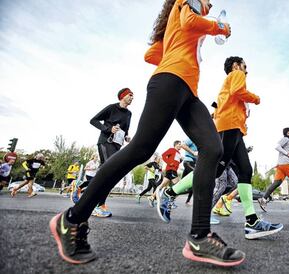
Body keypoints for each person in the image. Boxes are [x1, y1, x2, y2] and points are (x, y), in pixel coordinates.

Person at [49, 0, 245, 267]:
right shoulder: (193, 3)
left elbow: (151, 54)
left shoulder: (179, 15)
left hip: (187, 90)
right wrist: (219, 27)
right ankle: (71, 219)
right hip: (170, 82)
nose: (211, 3)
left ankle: (199, 236)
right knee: (140, 149)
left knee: (213, 148)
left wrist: (176, 45)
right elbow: (189, 23)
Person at [158, 56, 283, 240]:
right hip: (229, 126)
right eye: (245, 65)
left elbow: (220, 105)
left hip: (235, 128)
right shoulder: (237, 74)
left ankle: (252, 222)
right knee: (214, 171)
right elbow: (238, 91)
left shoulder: (229, 81)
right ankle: (169, 193)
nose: (246, 69)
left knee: (246, 170)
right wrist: (256, 98)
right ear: (236, 65)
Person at [89, 87, 133, 217]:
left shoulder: (129, 114)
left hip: (117, 145)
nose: (132, 98)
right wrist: (108, 129)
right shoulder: (111, 108)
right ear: (122, 96)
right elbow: (93, 120)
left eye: (133, 96)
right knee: (110, 170)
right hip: (105, 142)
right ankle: (99, 205)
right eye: (130, 95)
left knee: (108, 172)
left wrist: (126, 137)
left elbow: (126, 129)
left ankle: (83, 188)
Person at [148, 141, 182, 207]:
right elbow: (163, 155)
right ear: (175, 145)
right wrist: (169, 163)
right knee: (178, 186)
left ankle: (152, 197)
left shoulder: (179, 153)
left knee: (162, 185)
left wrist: (180, 161)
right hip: (171, 170)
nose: (180, 145)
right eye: (179, 144)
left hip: (173, 170)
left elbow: (176, 162)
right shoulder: (172, 150)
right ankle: (171, 201)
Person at [181, 138, 198, 205]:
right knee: (196, 178)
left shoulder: (200, 143)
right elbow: (183, 145)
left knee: (182, 183)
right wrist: (193, 152)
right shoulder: (192, 139)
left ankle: (170, 194)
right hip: (188, 162)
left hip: (192, 163)